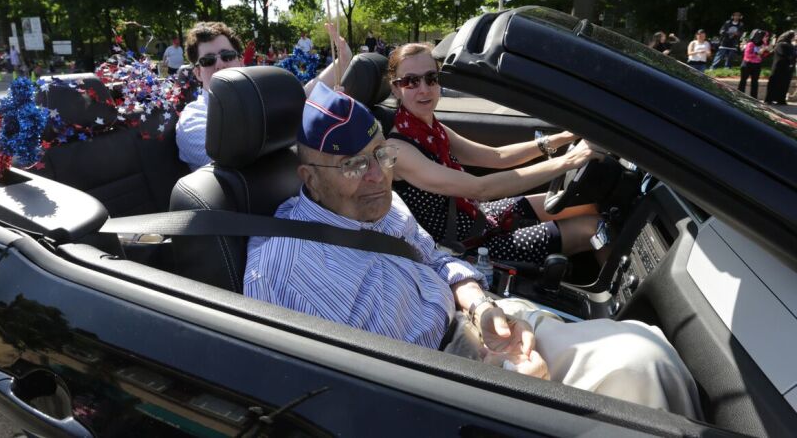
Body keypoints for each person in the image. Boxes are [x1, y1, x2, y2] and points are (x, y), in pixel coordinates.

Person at [244, 84, 700, 416]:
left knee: (645, 350)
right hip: (443, 386)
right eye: (354, 165)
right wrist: (499, 384)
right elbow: (347, 401)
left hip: (477, 325)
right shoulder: (287, 270)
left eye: (382, 156)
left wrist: (480, 306)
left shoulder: (373, 199)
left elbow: (435, 255)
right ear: (310, 179)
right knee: (642, 374)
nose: (377, 177)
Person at [384, 43, 600, 265]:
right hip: (465, 247)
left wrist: (566, 136)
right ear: (394, 88)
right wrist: (571, 160)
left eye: (431, 78)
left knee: (585, 203)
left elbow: (497, 157)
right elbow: (481, 189)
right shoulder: (398, 149)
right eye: (411, 81)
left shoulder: (430, 129)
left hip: (478, 216)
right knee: (592, 229)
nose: (424, 89)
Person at [175, 22, 352, 170]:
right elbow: (237, 159)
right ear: (198, 72)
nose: (220, 64)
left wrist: (343, 60)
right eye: (208, 60)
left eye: (227, 56)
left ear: (241, 61)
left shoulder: (256, 100)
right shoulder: (193, 120)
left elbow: (300, 97)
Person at [763, 30, 796, 105]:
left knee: (784, 84)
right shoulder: (781, 44)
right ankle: (769, 99)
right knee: (774, 83)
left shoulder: (790, 45)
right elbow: (785, 54)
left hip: (787, 69)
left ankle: (781, 99)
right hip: (779, 68)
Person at [737, 29, 770, 99]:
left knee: (755, 82)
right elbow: (747, 54)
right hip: (747, 64)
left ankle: (754, 98)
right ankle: (739, 96)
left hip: (757, 65)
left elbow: (765, 55)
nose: (766, 38)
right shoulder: (750, 44)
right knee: (743, 81)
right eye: (765, 36)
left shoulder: (764, 44)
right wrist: (758, 53)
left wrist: (766, 51)